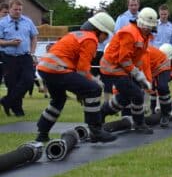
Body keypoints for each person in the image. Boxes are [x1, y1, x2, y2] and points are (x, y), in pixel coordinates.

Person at [35, 12, 117, 143]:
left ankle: (42, 133)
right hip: (57, 69)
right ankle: (96, 131)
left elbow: (74, 66)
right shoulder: (91, 39)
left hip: (46, 69)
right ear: (99, 30)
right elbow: (83, 70)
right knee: (94, 89)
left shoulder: (77, 34)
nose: (105, 38)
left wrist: (82, 89)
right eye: (106, 34)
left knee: (58, 100)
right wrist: (95, 81)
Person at [100, 7, 157, 134]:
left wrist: (139, 75)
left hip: (122, 68)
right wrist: (137, 74)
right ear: (140, 22)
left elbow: (135, 57)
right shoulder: (130, 33)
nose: (148, 28)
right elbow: (123, 59)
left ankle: (102, 112)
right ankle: (139, 124)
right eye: (146, 26)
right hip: (113, 67)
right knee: (137, 94)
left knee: (125, 97)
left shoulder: (144, 35)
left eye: (150, 26)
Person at [0, 0, 38, 117]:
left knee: (29, 79)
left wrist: (32, 52)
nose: (18, 12)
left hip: (25, 56)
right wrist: (10, 43)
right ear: (10, 9)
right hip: (8, 57)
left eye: (20, 10)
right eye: (15, 9)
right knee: (12, 83)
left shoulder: (28, 21)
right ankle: (17, 110)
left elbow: (34, 37)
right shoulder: (2, 23)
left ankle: (6, 100)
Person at [0, 2, 9, 88]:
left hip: (7, 53)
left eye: (8, 12)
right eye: (4, 12)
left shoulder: (11, 24)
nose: (6, 14)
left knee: (9, 76)